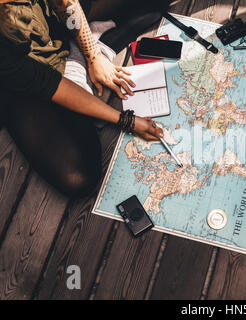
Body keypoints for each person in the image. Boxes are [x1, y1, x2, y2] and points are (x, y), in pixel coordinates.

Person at [0, 0, 171, 197]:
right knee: (78, 177)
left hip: (52, 26)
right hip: (22, 81)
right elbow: (54, 86)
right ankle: (82, 60)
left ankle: (87, 52)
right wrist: (126, 120)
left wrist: (93, 55)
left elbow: (65, 3)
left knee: (155, 4)